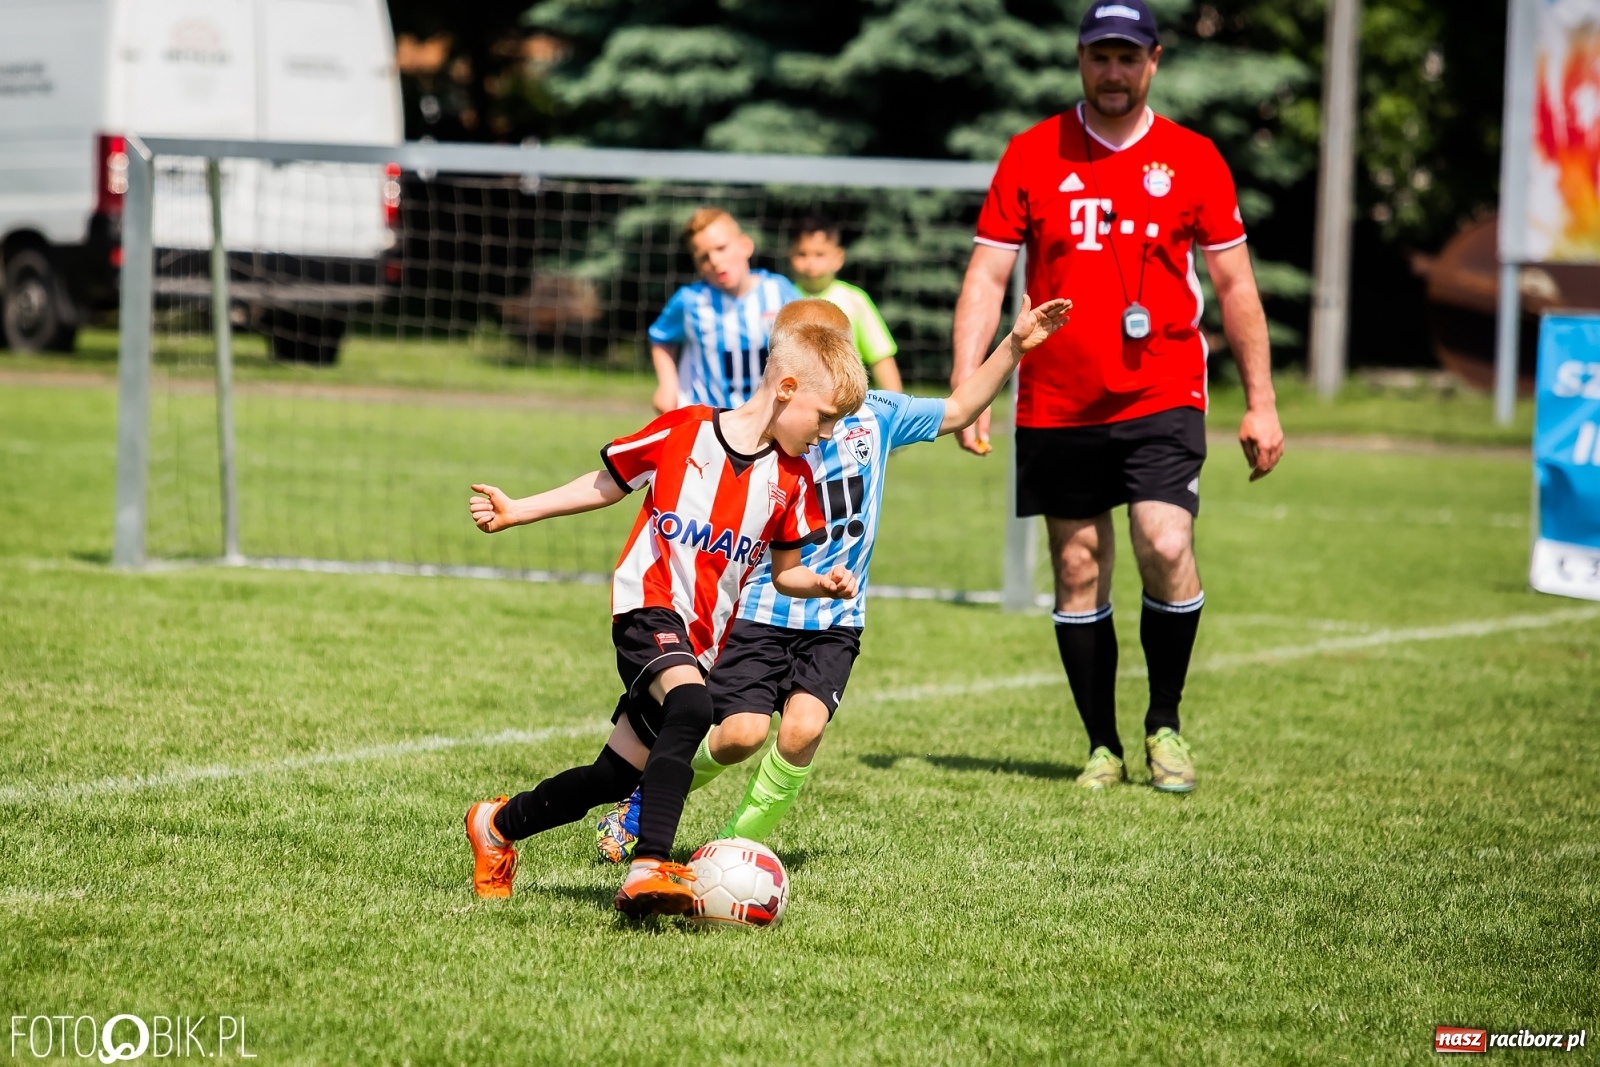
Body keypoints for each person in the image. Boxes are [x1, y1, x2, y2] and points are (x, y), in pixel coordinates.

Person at [596, 292, 1071, 860]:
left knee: (801, 733)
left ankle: (733, 851)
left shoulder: (878, 414)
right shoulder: (765, 423)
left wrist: (1014, 345)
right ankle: (643, 807)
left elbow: (958, 409)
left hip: (836, 619)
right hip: (760, 610)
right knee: (739, 735)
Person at [948, 0, 1284, 793]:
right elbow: (988, 276)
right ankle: (1102, 743)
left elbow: (1235, 285)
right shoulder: (1032, 154)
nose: (1113, 71)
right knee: (1076, 562)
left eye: (1128, 57)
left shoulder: (1194, 158)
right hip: (1057, 398)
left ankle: (1164, 721)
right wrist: (973, 385)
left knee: (1166, 544)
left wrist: (1262, 399)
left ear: (1154, 62)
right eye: (1100, 56)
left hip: (1164, 387)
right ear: (1080, 60)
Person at [462, 322, 869, 917]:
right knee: (695, 708)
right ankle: (650, 866)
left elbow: (786, 572)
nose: (827, 435)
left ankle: (496, 825)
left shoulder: (793, 480)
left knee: (611, 777)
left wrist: (822, 584)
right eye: (825, 418)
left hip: (699, 642)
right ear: (786, 389)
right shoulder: (684, 431)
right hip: (644, 607)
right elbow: (609, 483)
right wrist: (519, 510)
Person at [649, 207, 800, 414]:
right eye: (704, 257)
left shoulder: (779, 291)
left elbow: (807, 341)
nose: (715, 261)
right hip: (708, 420)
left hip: (769, 417)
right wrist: (668, 385)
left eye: (721, 248)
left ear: (746, 246)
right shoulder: (690, 301)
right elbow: (661, 339)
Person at [788, 216, 905, 390]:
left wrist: (897, 410)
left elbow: (881, 358)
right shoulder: (783, 297)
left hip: (846, 407)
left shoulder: (855, 300)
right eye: (802, 254)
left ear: (838, 258)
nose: (810, 263)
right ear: (790, 256)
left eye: (820, 254)